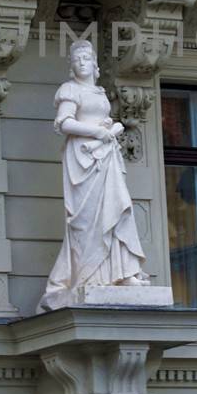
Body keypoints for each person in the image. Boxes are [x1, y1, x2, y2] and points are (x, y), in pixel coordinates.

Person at [38, 40, 150, 310]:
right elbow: (64, 123)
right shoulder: (69, 90)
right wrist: (97, 132)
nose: (82, 62)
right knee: (87, 220)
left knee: (116, 209)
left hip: (106, 155)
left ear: (95, 65)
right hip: (83, 157)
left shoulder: (99, 92)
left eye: (87, 58)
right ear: (71, 67)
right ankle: (88, 276)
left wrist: (108, 127)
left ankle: (120, 274)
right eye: (77, 59)